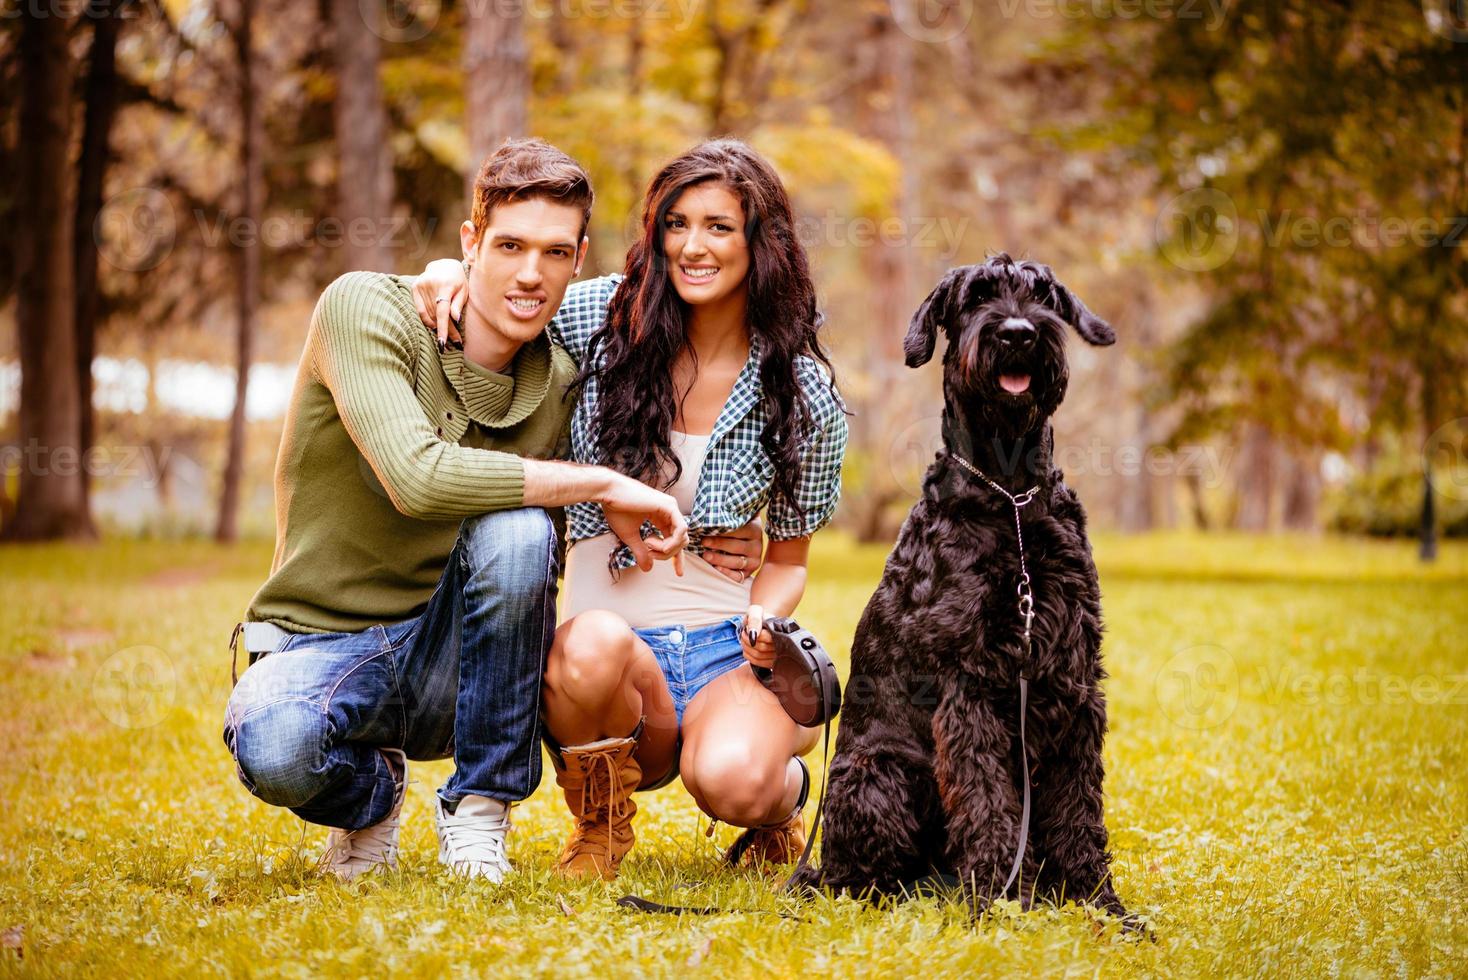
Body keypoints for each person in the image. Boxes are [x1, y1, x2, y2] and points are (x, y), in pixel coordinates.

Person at [221, 138, 763, 885]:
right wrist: (599, 484)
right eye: (508, 245)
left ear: (579, 265)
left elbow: (694, 320)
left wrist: (723, 535)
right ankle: (371, 798)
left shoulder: (564, 377)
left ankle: (480, 811)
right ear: (470, 242)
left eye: (553, 252)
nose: (530, 273)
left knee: (515, 532)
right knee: (277, 747)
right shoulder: (364, 310)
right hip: (323, 645)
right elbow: (417, 477)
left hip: (464, 665)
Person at [412, 138, 848, 880]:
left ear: (760, 241)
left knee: (737, 783)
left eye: (718, 226)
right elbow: (518, 291)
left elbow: (789, 558)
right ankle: (600, 826)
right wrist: (448, 269)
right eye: (675, 224)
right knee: (589, 646)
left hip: (723, 650)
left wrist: (763, 618)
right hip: (608, 655)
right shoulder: (603, 318)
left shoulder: (803, 391)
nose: (692, 246)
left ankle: (783, 800)